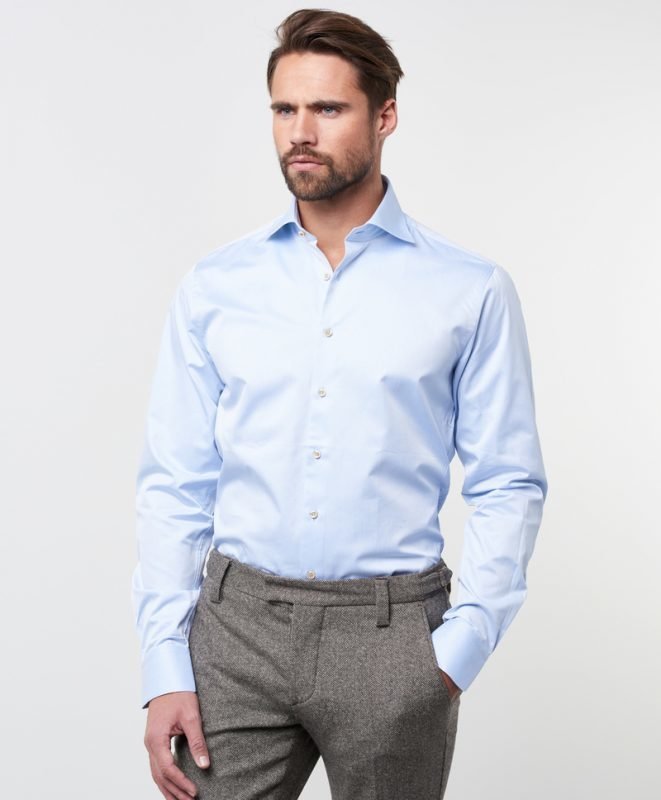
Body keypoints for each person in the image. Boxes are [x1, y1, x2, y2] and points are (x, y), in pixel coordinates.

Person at [131, 8, 548, 800]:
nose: (300, 132)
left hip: (392, 636)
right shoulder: (216, 285)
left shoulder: (468, 290)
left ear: (384, 116)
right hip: (234, 632)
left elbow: (507, 482)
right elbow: (174, 482)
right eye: (284, 109)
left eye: (327, 108)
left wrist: (455, 653)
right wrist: (164, 665)